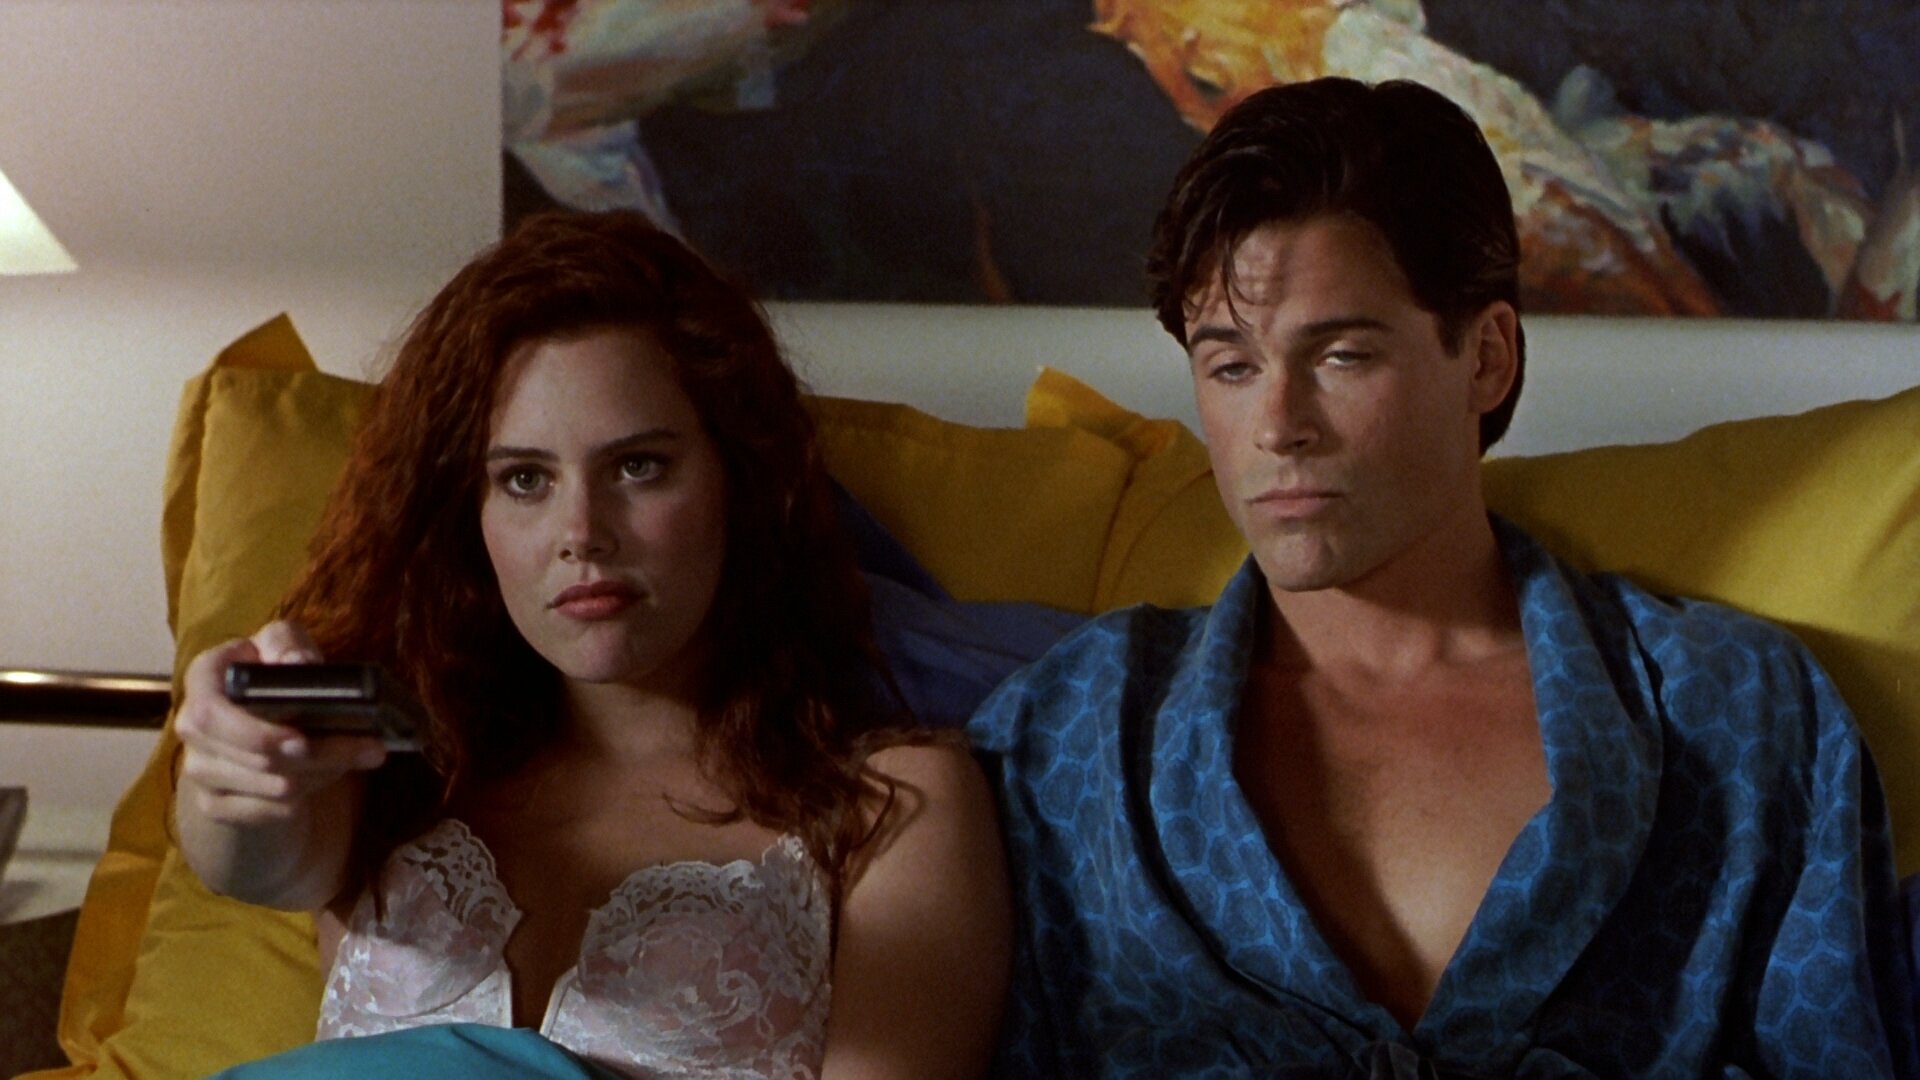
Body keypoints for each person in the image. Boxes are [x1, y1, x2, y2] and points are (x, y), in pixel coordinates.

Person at [967, 76, 1920, 1077]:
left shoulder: (1738, 714)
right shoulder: (1070, 736)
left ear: (1487, 358)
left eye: (1341, 356)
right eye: (1233, 367)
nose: (1278, 426)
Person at [173, 209, 1010, 1079]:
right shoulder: (395, 766)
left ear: (739, 480)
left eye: (638, 466)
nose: (581, 532)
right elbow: (251, 862)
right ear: (469, 514)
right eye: (524, 479)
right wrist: (231, 773)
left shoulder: (894, 804)